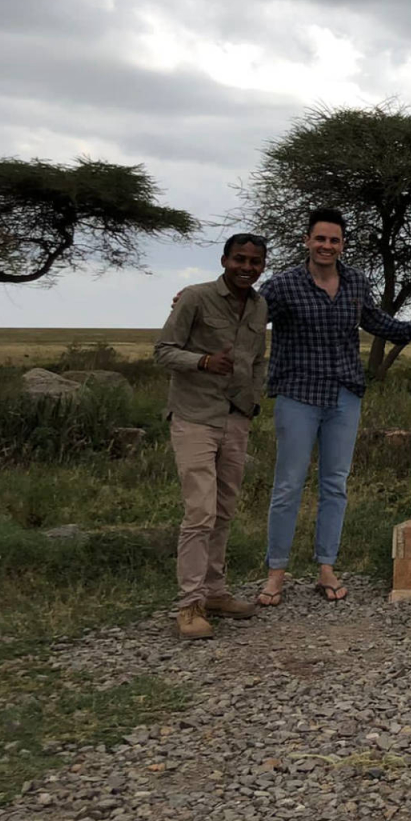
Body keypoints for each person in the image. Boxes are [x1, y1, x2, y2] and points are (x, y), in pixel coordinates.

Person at [255, 207, 411, 606]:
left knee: (335, 484)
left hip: (344, 394)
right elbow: (245, 318)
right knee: (288, 485)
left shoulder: (355, 283)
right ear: (307, 241)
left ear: (343, 245)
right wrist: (193, 300)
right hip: (298, 393)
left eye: (334, 240)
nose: (326, 246)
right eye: (320, 239)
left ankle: (326, 567)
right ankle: (276, 572)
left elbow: (382, 325)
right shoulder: (283, 286)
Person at [155, 233, 270, 640]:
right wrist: (203, 361)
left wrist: (251, 402)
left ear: (262, 267)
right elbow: (163, 351)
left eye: (255, 262)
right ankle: (190, 604)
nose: (246, 268)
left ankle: (216, 592)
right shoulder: (196, 298)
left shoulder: (259, 306)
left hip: (235, 418)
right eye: (240, 259)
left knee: (224, 509)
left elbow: (257, 359)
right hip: (194, 416)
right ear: (224, 260)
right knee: (199, 512)